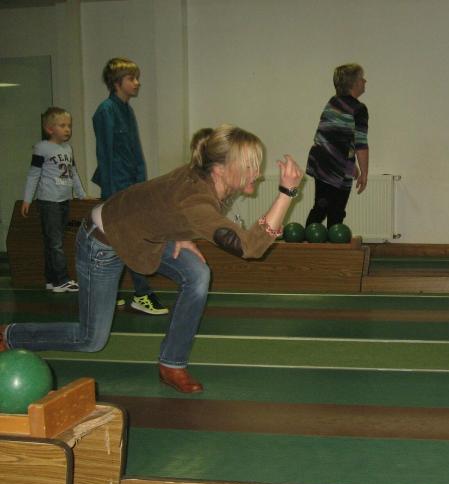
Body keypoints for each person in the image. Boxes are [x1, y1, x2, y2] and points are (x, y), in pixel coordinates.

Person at [2, 125, 303, 394]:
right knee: (90, 339)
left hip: (141, 237)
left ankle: (172, 364)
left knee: (197, 274)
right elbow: (250, 247)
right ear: (220, 169)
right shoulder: (196, 198)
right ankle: (10, 334)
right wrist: (287, 192)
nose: (257, 173)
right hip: (103, 241)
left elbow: (164, 202)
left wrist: (180, 233)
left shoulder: (203, 177)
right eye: (249, 166)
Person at [92, 57, 167, 315]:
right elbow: (105, 155)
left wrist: (142, 189)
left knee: (122, 241)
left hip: (132, 188)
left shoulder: (127, 110)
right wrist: (111, 195)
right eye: (131, 78)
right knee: (130, 240)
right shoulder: (105, 111)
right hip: (117, 190)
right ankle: (141, 293)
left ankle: (110, 292)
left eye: (137, 78)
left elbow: (136, 154)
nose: (137, 83)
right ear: (117, 82)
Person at [21, 106, 87, 293]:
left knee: (54, 241)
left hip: (64, 200)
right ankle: (61, 280)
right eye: (62, 125)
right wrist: (27, 199)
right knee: (55, 243)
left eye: (69, 126)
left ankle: (51, 279)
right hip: (49, 201)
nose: (67, 129)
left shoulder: (68, 148)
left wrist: (81, 194)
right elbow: (33, 174)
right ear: (50, 129)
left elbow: (73, 173)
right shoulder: (42, 148)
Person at [305, 63, 369, 227]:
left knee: (321, 208)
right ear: (354, 83)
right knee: (335, 211)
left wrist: (350, 165)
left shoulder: (333, 103)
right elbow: (361, 145)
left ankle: (308, 241)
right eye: (362, 79)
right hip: (334, 166)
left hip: (322, 163)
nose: (365, 81)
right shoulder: (358, 109)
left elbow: (331, 137)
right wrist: (364, 173)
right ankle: (323, 242)